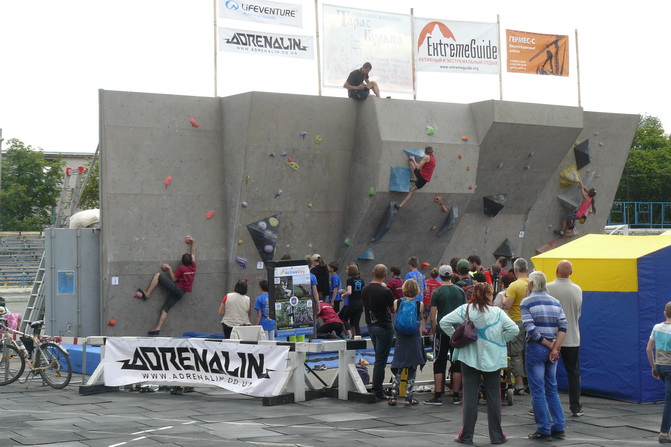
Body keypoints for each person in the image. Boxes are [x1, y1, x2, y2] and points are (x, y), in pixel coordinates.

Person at [441, 282, 519, 445]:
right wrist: (501, 340)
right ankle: (496, 436)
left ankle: (466, 435)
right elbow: (514, 330)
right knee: (494, 397)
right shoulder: (497, 313)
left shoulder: (466, 309)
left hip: (469, 357)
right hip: (493, 359)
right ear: (490, 295)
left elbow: (444, 322)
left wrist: (455, 337)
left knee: (469, 397)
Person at [521, 271, 567, 440]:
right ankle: (559, 425)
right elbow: (563, 326)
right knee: (552, 388)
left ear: (532, 284)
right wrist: (555, 347)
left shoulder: (527, 302)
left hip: (536, 348)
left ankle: (543, 428)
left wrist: (546, 344)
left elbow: (530, 328)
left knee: (538, 390)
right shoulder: (555, 302)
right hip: (553, 349)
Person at [424, 264, 467, 406]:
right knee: (456, 363)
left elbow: (432, 316)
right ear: (451, 275)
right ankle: (456, 395)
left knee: (439, 362)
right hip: (457, 332)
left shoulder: (437, 293)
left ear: (440, 276)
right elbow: (464, 313)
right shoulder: (460, 292)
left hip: (442, 332)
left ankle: (437, 395)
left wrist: (434, 331)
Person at [546, 259, 583, 417]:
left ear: (556, 271)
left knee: (546, 373)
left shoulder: (547, 288)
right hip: (572, 337)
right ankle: (575, 407)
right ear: (571, 273)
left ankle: (542, 405)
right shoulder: (577, 289)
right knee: (573, 373)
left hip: (550, 339)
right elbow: (578, 313)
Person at [140, 237, 196, 336]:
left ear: (182, 261)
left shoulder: (182, 268)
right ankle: (157, 329)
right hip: (182, 293)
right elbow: (193, 254)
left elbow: (174, 279)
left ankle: (147, 293)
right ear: (191, 261)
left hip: (177, 289)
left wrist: (170, 268)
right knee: (165, 308)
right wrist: (193, 242)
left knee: (158, 275)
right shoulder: (193, 266)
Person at [388, 279, 425, 407]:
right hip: (414, 338)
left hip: (401, 338)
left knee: (398, 367)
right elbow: (419, 320)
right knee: (412, 368)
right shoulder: (419, 304)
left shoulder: (397, 302)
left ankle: (393, 396)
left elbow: (396, 318)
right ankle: (408, 397)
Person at [362, 264, 396, 400]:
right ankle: (377, 389)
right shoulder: (386, 291)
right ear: (385, 276)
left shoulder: (365, 289)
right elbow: (392, 309)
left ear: (372, 273)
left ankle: (377, 387)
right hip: (384, 326)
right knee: (381, 359)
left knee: (378, 356)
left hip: (371, 326)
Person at [502, 257, 530, 395]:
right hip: (531, 321)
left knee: (515, 353)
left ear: (515, 270)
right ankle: (528, 382)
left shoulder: (514, 286)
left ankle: (519, 385)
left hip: (516, 322)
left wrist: (503, 297)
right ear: (527, 269)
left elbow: (507, 305)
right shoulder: (533, 283)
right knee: (527, 353)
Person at [646, 301, 671, 444]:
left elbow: (649, 349)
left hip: (661, 366)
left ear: (664, 314)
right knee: (669, 401)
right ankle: (663, 433)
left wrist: (653, 367)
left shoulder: (657, 327)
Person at [339, 263, 364, 336]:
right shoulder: (361, 280)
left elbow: (349, 292)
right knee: (356, 323)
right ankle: (358, 338)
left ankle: (349, 335)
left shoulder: (349, 280)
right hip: (360, 303)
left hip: (352, 303)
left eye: (347, 270)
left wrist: (343, 294)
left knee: (345, 319)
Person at [423, 268, 441, 334]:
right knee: (432, 318)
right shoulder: (439, 284)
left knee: (424, 318)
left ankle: (423, 332)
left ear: (430, 274)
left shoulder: (426, 282)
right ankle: (432, 332)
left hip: (426, 302)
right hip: (434, 304)